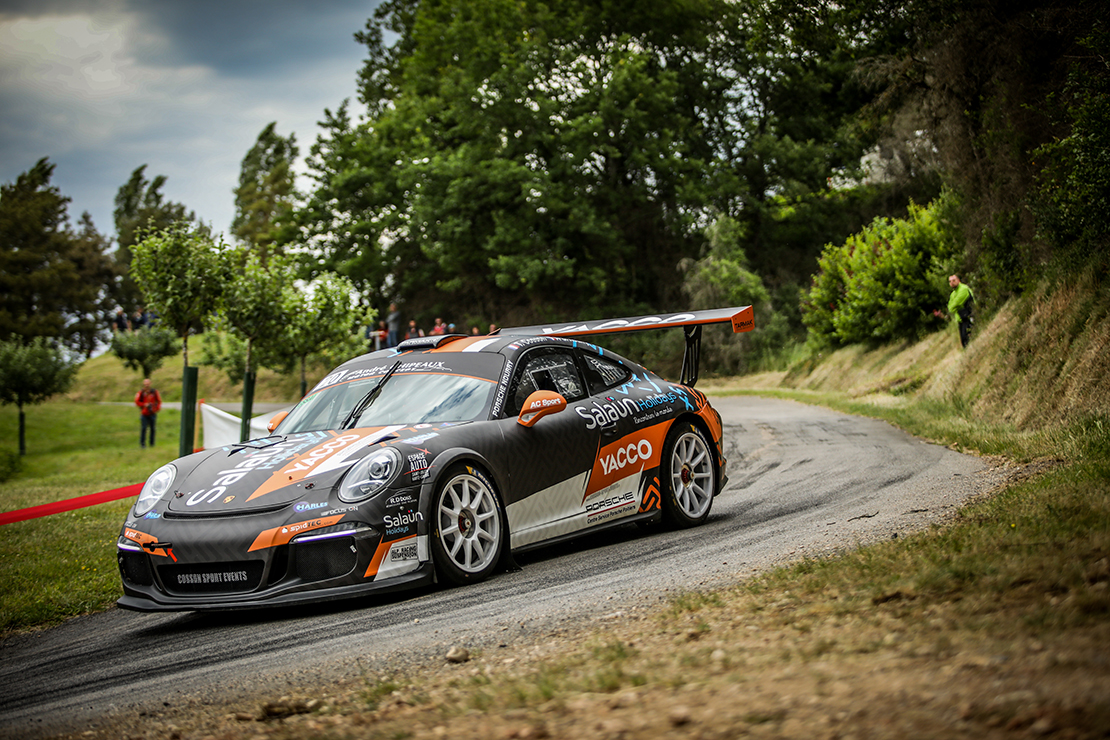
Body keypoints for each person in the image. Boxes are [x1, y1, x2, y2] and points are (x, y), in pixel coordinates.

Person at [947, 274, 975, 348]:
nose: (952, 283)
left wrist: (955, 306)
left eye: (954, 280)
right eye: (950, 281)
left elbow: (957, 303)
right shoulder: (953, 294)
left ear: (958, 280)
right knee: (964, 341)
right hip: (960, 318)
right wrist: (955, 306)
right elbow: (950, 308)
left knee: (968, 338)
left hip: (968, 316)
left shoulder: (963, 289)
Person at [135, 378, 162, 448]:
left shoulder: (154, 392)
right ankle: (142, 444)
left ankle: (152, 444)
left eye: (148, 383)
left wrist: (156, 409)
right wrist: (144, 405)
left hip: (152, 413)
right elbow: (137, 402)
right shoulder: (141, 392)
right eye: (145, 384)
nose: (147, 385)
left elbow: (159, 401)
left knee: (153, 429)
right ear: (144, 384)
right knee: (144, 428)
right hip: (144, 413)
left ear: (150, 384)